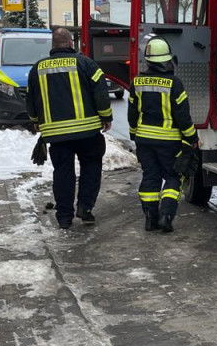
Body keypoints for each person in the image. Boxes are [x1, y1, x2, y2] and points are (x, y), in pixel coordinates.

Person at [25, 27, 112, 229]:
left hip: (56, 135)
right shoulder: (86, 63)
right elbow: (101, 92)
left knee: (63, 174)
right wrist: (106, 117)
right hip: (88, 132)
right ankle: (85, 208)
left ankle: (64, 217)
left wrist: (35, 120)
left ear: (53, 45)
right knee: (91, 168)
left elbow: (31, 99)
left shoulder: (37, 68)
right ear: (71, 43)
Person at [128, 37, 198, 233]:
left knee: (150, 177)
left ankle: (150, 219)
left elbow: (132, 113)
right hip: (169, 141)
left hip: (144, 140)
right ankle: (166, 216)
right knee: (173, 177)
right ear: (167, 60)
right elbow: (183, 116)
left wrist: (134, 134)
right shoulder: (174, 83)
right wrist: (191, 138)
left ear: (148, 60)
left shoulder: (137, 82)